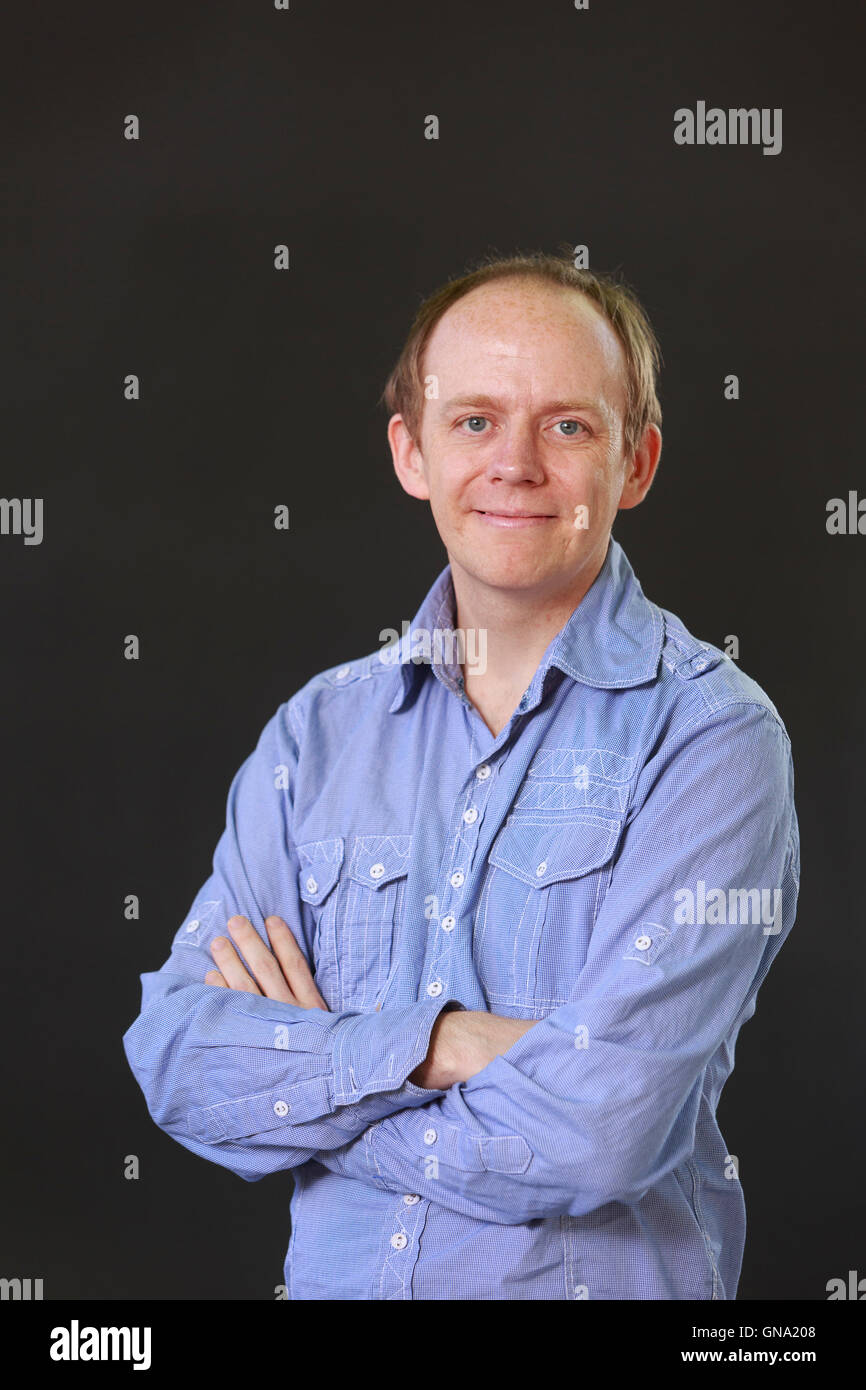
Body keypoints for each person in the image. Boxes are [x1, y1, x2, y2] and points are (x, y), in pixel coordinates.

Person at [123, 251, 800, 1300]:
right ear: (412, 452)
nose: (515, 464)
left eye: (566, 425)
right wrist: (439, 1043)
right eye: (473, 420)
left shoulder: (711, 738)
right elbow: (178, 1056)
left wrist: (319, 1094)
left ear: (634, 462)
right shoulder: (319, 733)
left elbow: (600, 1132)